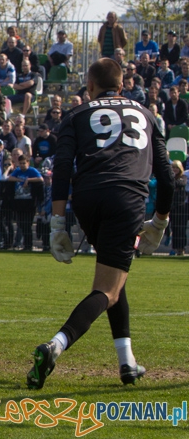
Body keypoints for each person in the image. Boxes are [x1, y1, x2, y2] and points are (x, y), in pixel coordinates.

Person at [27, 58, 174, 389]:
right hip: (126, 199)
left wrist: (57, 223)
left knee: (113, 277)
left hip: (88, 199)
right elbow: (166, 176)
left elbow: (62, 168)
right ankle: (56, 345)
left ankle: (127, 362)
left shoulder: (76, 115)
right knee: (107, 288)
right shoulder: (147, 114)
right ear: (122, 86)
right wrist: (160, 221)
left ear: (89, 88)